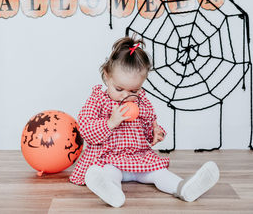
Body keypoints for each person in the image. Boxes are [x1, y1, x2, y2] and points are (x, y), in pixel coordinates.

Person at [69, 36, 219, 207]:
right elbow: (86, 131)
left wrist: (155, 132)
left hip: (138, 158)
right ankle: (112, 192)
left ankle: (183, 188)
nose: (126, 95)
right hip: (109, 159)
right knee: (108, 173)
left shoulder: (141, 101)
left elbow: (148, 126)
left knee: (159, 172)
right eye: (119, 89)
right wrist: (111, 122)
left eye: (134, 89)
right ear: (107, 76)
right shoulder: (98, 100)